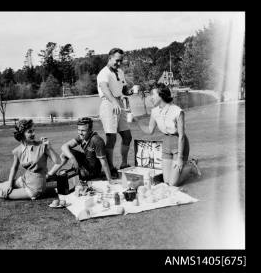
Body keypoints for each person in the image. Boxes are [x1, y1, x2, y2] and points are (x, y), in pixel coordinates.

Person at [134, 83, 201, 186]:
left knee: (173, 183)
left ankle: (190, 166)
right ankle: (184, 167)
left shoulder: (177, 111)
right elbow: (150, 130)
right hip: (166, 144)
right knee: (166, 182)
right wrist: (137, 121)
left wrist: (180, 158)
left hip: (179, 144)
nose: (150, 98)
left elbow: (182, 136)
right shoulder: (154, 112)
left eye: (153, 95)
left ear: (161, 95)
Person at [0, 119, 61, 199]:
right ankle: (49, 189)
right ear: (22, 134)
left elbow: (58, 161)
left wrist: (49, 147)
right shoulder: (18, 150)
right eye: (30, 132)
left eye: (33, 131)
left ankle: (45, 190)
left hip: (35, 187)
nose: (33, 134)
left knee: (2, 194)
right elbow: (14, 168)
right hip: (24, 179)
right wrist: (10, 184)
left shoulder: (42, 145)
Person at [97, 48, 133, 178]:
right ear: (110, 58)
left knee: (127, 136)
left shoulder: (120, 72)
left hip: (119, 103)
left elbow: (123, 89)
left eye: (121, 60)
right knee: (111, 138)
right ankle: (111, 168)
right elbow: (105, 89)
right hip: (108, 103)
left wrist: (129, 92)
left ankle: (124, 164)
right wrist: (114, 102)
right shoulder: (103, 73)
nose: (119, 63)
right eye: (117, 60)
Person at [48, 117, 113, 182]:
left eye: (83, 130)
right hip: (85, 163)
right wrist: (72, 158)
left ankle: (57, 176)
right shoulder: (82, 137)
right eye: (79, 130)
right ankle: (50, 175)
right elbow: (64, 146)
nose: (80, 133)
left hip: (92, 171)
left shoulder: (97, 140)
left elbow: (104, 162)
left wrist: (109, 180)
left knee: (64, 174)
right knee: (65, 153)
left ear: (90, 130)